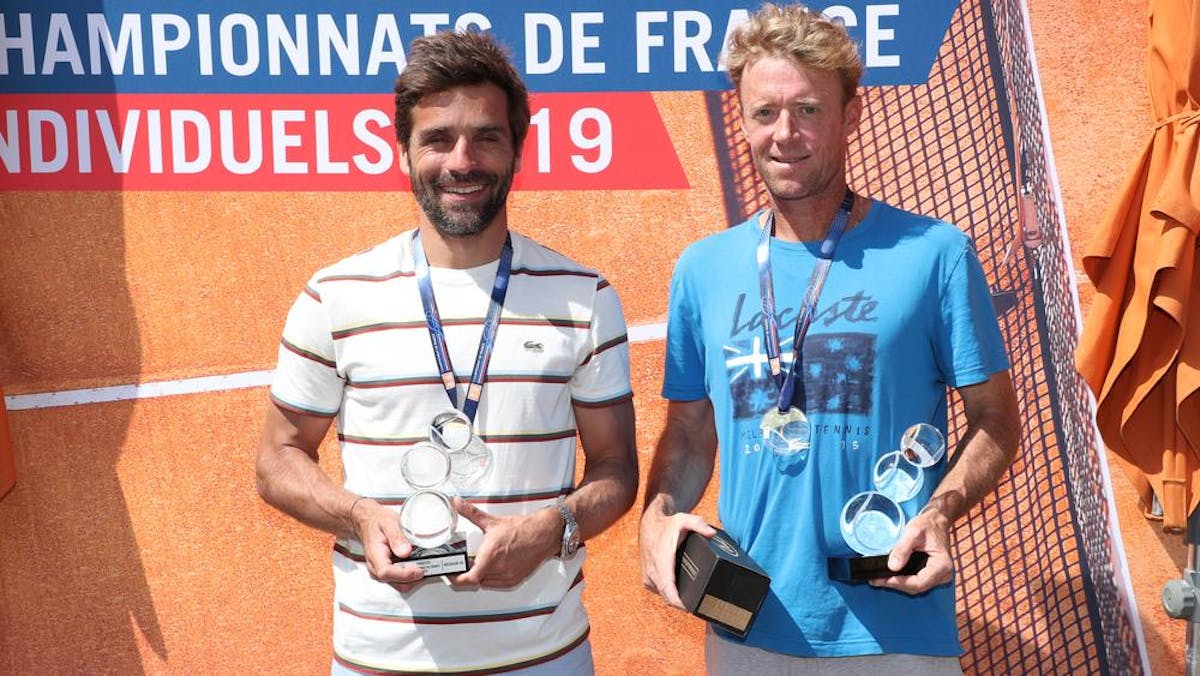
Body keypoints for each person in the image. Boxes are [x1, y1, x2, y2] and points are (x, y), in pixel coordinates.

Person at [638, 3, 1020, 673]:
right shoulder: (703, 268)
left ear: (851, 115)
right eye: (765, 112)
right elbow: (691, 433)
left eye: (808, 110)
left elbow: (996, 420)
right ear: (742, 119)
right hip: (746, 632)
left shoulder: (935, 254)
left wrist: (940, 511)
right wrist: (655, 517)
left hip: (894, 634)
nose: (785, 133)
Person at [256, 30, 638, 675]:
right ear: (402, 150)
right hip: (379, 661)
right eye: (438, 139)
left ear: (517, 148)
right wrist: (357, 516)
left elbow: (617, 468)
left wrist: (553, 529)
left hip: (546, 658)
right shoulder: (334, 296)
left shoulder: (584, 296)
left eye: (486, 136)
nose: (462, 160)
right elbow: (277, 459)